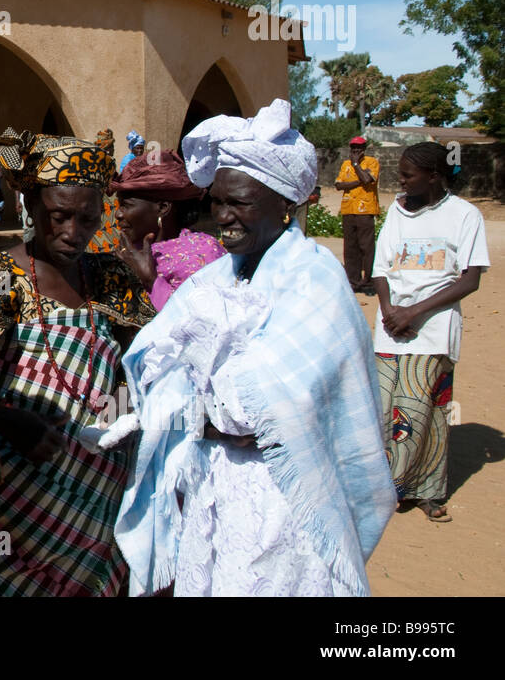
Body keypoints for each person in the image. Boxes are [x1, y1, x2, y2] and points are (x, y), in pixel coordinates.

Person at [115, 99, 394, 596]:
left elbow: (247, 413)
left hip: (282, 501)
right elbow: (153, 364)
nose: (222, 217)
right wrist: (197, 406)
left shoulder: (314, 280)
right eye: (216, 202)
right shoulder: (217, 277)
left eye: (239, 203)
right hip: (212, 487)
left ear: (284, 203)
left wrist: (195, 404)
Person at [0, 128, 154, 596]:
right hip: (7, 513)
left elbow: (141, 371)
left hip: (93, 513)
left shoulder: (112, 280)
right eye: (58, 216)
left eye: (88, 218)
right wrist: (5, 418)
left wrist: (106, 424)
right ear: (29, 205)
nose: (73, 233)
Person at [372, 142, 489, 523]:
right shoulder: (397, 211)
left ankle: (422, 489)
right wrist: (390, 311)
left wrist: (415, 312)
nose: (400, 181)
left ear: (435, 176)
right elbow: (381, 267)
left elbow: (469, 279)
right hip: (391, 328)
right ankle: (389, 486)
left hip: (433, 328)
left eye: (407, 175)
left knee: (425, 412)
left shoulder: (464, 215)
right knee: (387, 410)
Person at [111, 149, 225, 311]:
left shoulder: (203, 254)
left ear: (163, 208)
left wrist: (151, 280)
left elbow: (202, 320)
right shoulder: (127, 253)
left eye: (126, 205)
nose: (118, 214)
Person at [336, 135, 380, 295]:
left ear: (364, 149)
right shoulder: (345, 164)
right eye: (353, 148)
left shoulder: (372, 163)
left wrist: (356, 164)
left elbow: (368, 180)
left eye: (359, 148)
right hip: (349, 208)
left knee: (366, 248)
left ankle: (368, 283)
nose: (356, 150)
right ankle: (353, 282)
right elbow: (339, 185)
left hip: (365, 209)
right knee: (350, 248)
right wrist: (359, 180)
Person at [86, 128, 126, 253]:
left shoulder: (109, 163)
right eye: (110, 147)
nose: (112, 149)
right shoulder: (96, 165)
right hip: (101, 205)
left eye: (112, 146)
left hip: (111, 206)